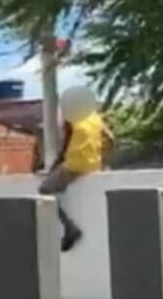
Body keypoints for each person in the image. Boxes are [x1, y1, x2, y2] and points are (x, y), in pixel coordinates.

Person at [39, 85, 114, 252]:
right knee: (59, 186)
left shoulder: (72, 117)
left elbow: (66, 144)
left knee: (44, 190)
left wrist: (55, 165)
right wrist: (102, 161)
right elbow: (110, 139)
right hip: (93, 164)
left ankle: (69, 228)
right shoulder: (96, 118)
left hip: (75, 164)